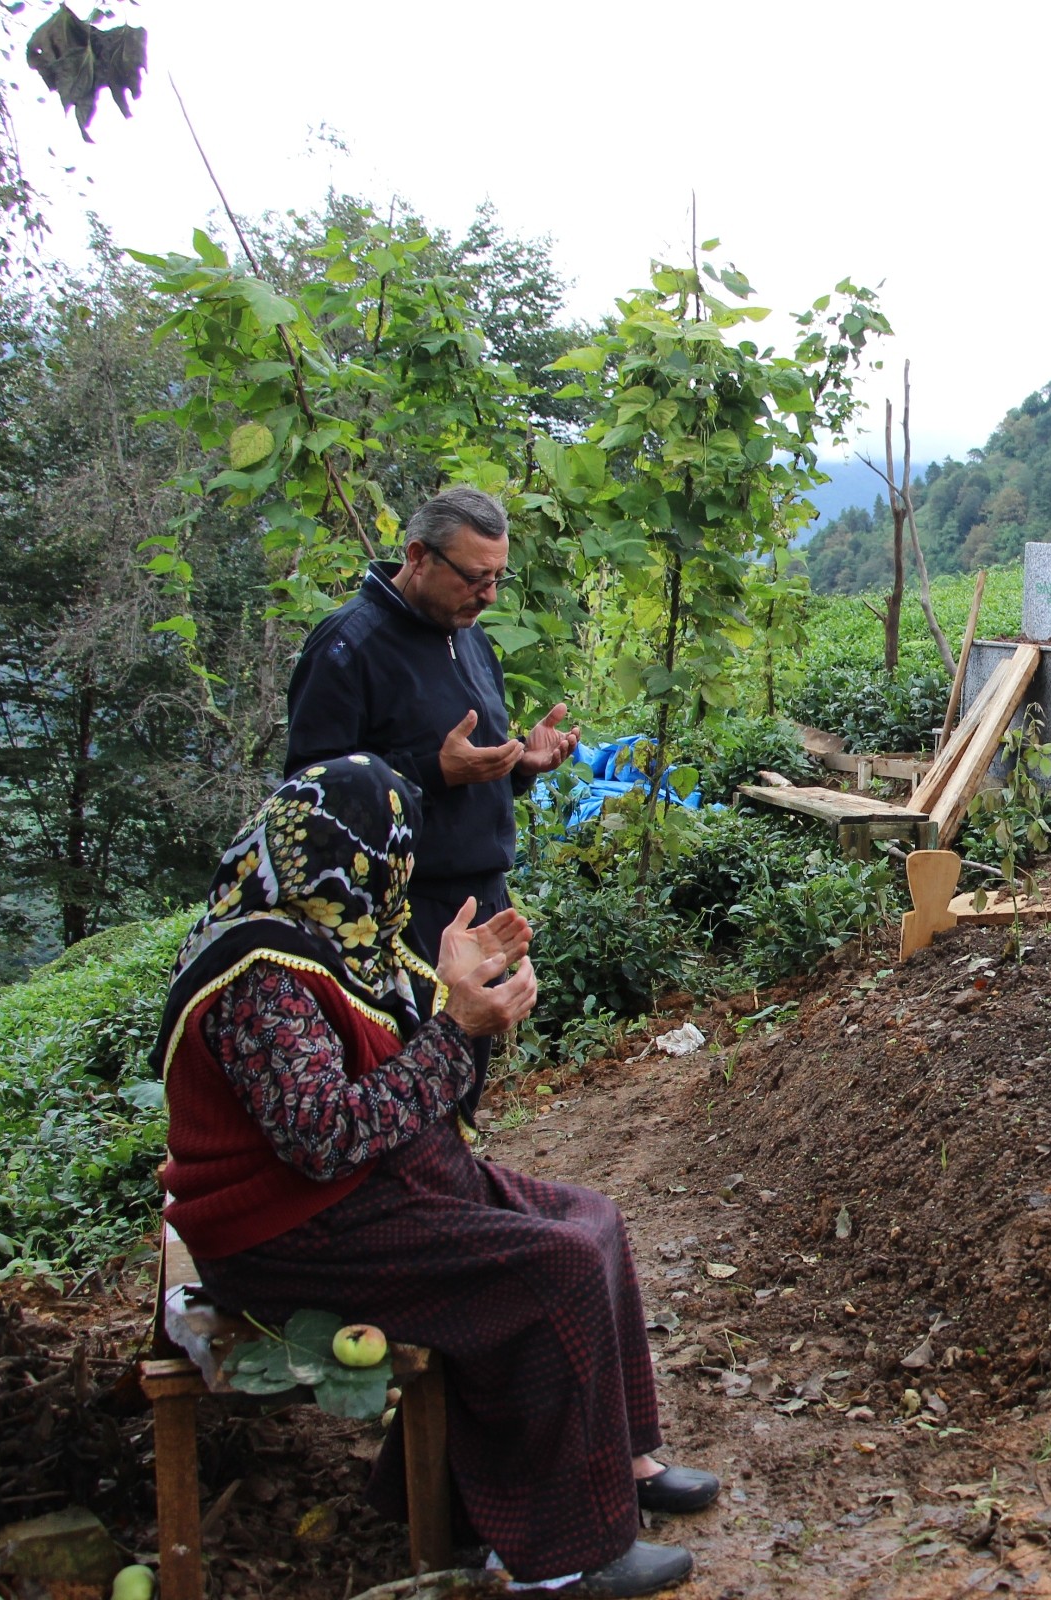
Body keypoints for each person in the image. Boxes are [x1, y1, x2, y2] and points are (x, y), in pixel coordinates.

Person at [154, 756, 715, 1596]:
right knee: (550, 1268)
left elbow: (404, 1063)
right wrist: (459, 1024)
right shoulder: (260, 973)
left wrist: (460, 987)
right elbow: (325, 1138)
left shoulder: (331, 933)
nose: (402, 872)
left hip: (372, 1191)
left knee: (591, 1219)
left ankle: (620, 1463)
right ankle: (556, 1558)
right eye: (396, 851)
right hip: (291, 1233)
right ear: (360, 856)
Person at [286, 486, 580, 1093]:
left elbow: (471, 772)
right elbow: (307, 795)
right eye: (475, 578)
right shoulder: (348, 648)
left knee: (465, 1073)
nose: (490, 596)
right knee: (409, 1075)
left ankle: (454, 1179)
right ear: (418, 556)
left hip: (479, 893)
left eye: (499, 577)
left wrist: (521, 765)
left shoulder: (470, 637)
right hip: (400, 912)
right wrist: (432, 771)